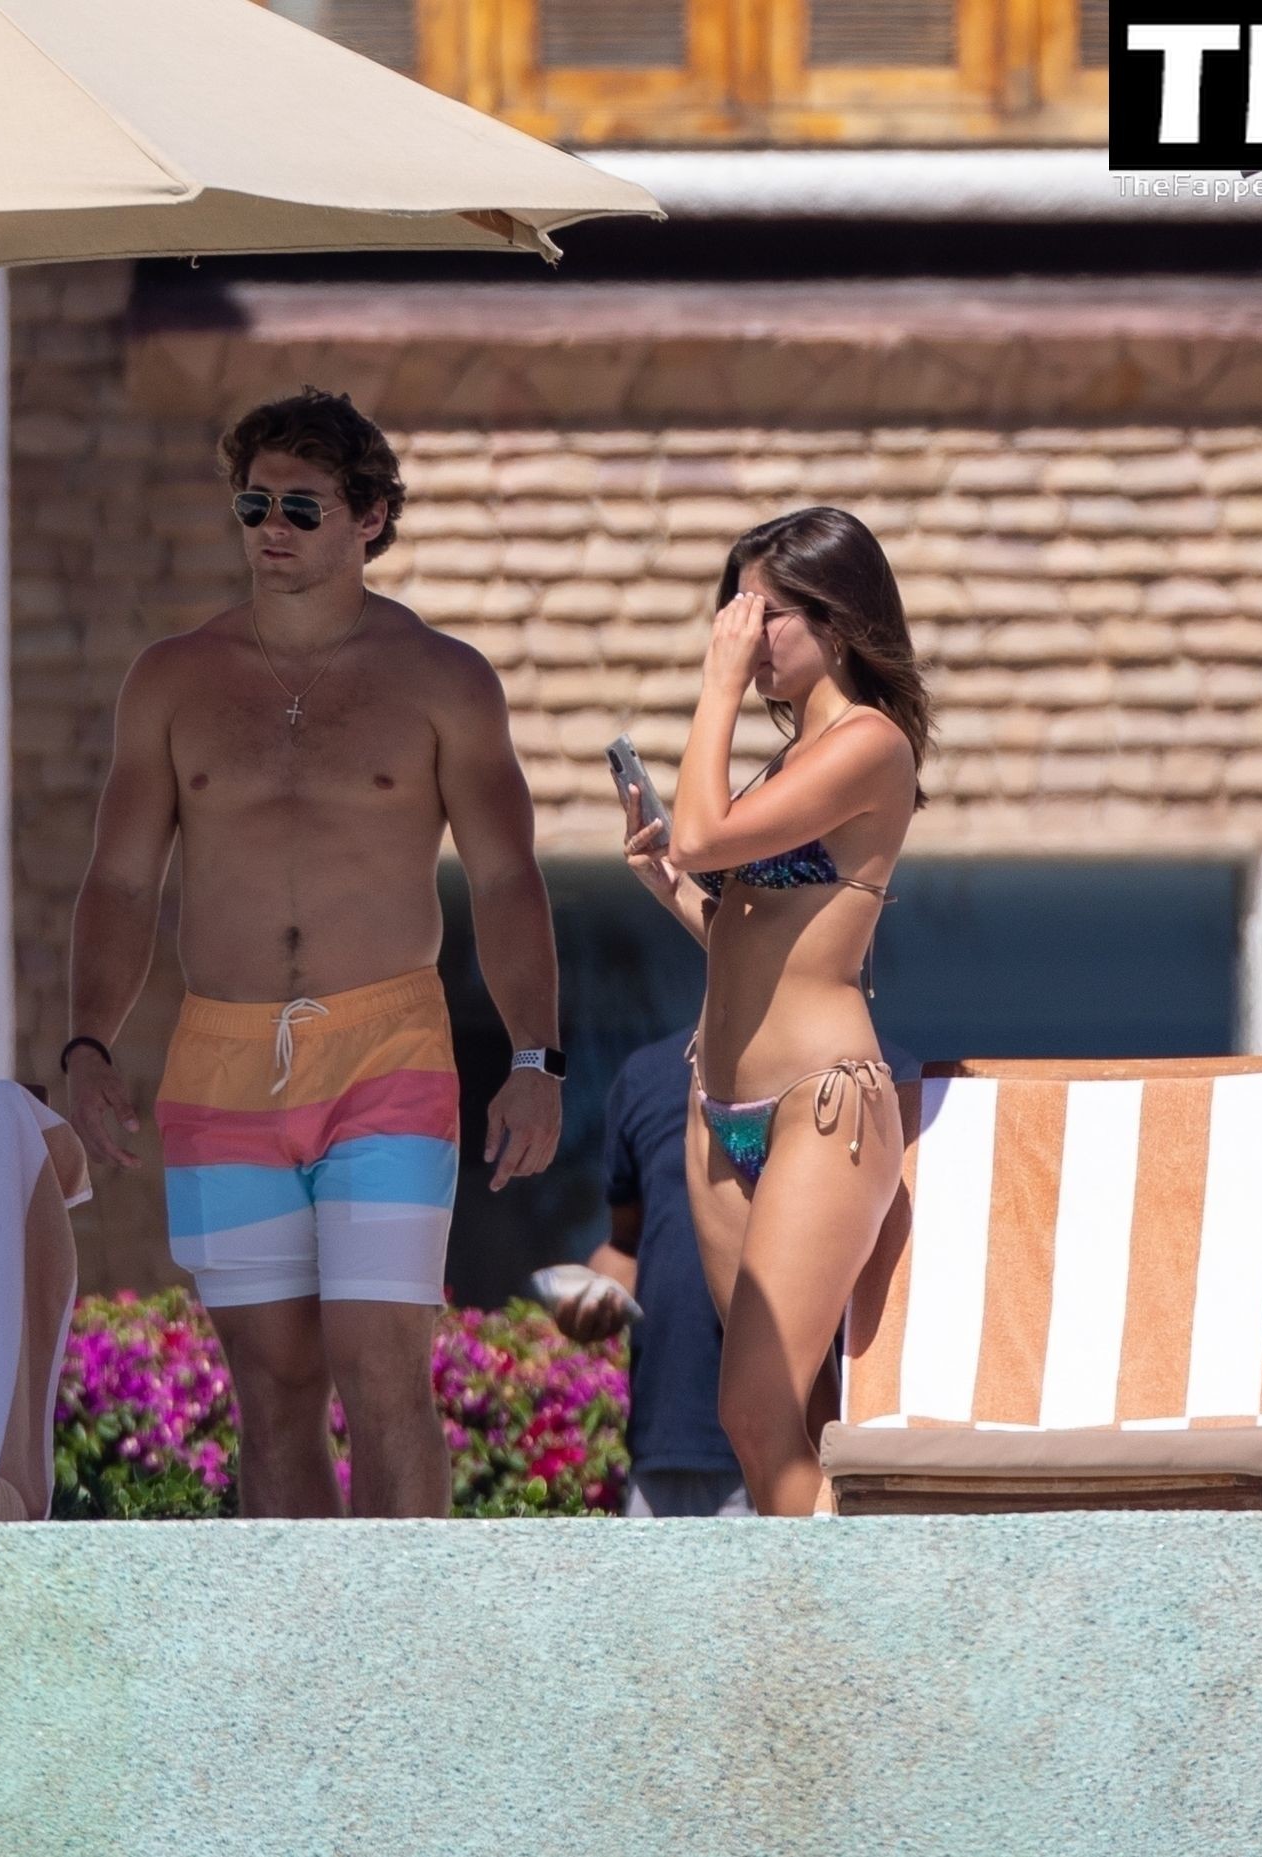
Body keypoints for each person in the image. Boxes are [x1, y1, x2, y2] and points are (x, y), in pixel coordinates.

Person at [63, 387, 565, 1520]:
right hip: (221, 1058)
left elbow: (505, 879)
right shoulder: (172, 679)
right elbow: (122, 880)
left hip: (388, 1051)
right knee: (273, 1390)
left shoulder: (444, 678)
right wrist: (88, 1042)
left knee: (383, 1372)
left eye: (301, 506)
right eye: (254, 505)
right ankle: (293, 1635)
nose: (271, 529)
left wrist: (536, 1055)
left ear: (370, 517)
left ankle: (404, 1631)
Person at [620, 507, 932, 1517]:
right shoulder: (790, 760)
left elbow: (704, 832)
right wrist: (673, 888)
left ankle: (839, 1614)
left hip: (820, 1107)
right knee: (794, 1414)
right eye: (734, 615)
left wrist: (715, 689)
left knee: (753, 1409)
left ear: (833, 620)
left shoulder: (871, 744)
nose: (742, 636)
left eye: (761, 614)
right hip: (722, 1113)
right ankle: (823, 1604)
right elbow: (746, 931)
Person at [549, 1028, 752, 1518]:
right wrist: (593, 1294)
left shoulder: (867, 1080)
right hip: (665, 1435)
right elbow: (627, 1245)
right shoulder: (648, 1075)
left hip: (787, 1444)